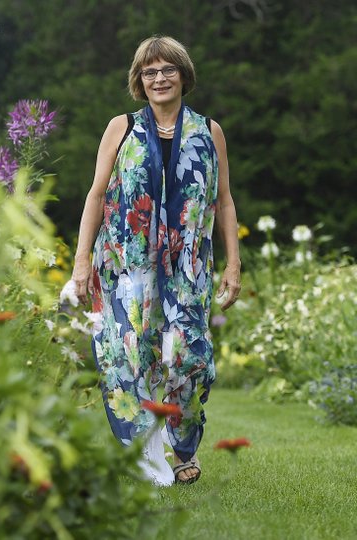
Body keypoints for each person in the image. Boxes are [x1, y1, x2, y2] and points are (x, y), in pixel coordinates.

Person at [70, 35, 241, 485]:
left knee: (190, 360)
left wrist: (233, 264)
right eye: (150, 72)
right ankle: (146, 456)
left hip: (187, 270)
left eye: (168, 70)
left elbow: (224, 202)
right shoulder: (121, 127)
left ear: (183, 75)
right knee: (129, 358)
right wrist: (81, 260)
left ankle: (182, 446)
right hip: (127, 265)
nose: (159, 78)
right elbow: (95, 193)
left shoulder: (209, 132)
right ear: (139, 81)